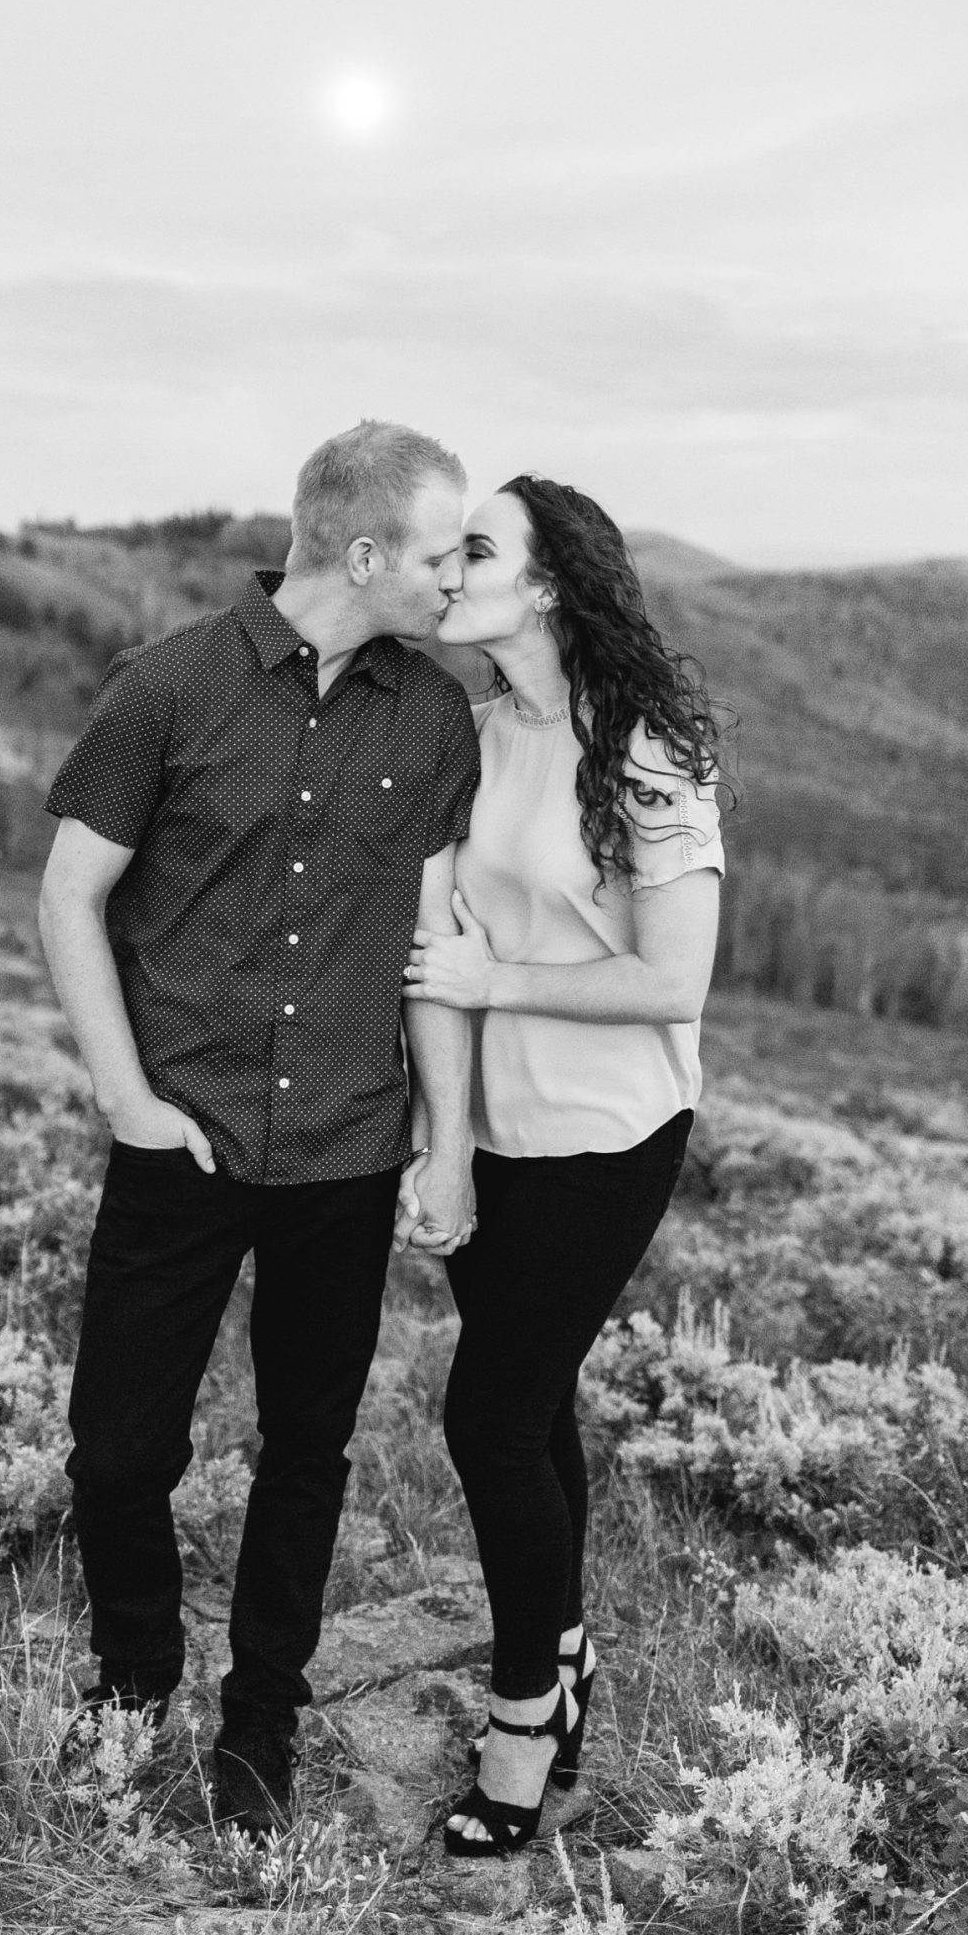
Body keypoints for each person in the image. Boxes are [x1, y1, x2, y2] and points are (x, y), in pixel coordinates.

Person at [39, 421, 480, 1839]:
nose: (454, 577)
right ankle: (131, 1686)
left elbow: (434, 941)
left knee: (308, 1453)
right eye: (437, 552)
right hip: (185, 1137)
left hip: (346, 1155)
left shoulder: (436, 717)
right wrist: (127, 1098)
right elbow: (68, 897)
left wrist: (449, 1140)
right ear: (363, 554)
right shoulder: (166, 687)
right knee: (118, 1449)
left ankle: (258, 1735)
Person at [402, 476, 725, 1855]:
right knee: (531, 1412)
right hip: (502, 1135)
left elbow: (671, 984)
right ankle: (570, 1647)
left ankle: (527, 1708)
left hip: (612, 1137)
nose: (447, 562)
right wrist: (449, 1145)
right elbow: (438, 968)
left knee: (486, 1415)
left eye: (476, 546)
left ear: (543, 588)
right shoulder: (467, 738)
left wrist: (503, 975)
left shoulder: (647, 752)